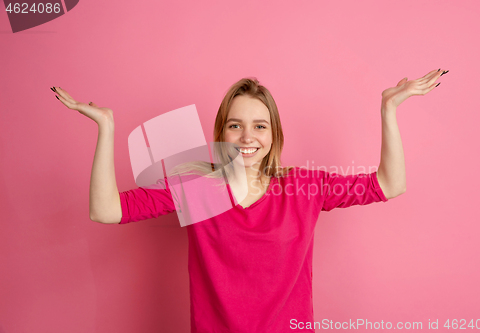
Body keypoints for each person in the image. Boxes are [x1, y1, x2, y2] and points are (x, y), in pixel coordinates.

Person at [51, 68, 448, 332]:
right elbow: (104, 210)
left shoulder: (302, 188)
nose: (247, 137)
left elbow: (388, 184)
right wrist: (106, 127)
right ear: (221, 131)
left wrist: (389, 107)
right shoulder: (200, 189)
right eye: (235, 125)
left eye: (259, 126)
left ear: (274, 133)